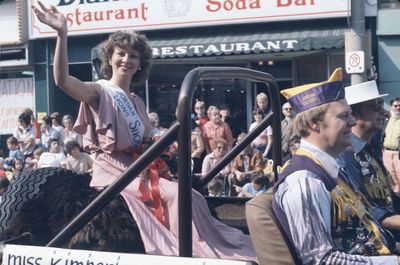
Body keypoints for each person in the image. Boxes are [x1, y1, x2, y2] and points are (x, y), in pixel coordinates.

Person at [32, 3, 257, 262]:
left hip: (140, 169)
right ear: (110, 58)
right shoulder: (99, 91)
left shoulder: (137, 101)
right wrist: (62, 34)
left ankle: (215, 245)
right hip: (114, 171)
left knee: (192, 194)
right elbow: (62, 81)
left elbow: (145, 141)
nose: (126, 60)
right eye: (121, 53)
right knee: (176, 194)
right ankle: (189, 252)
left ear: (141, 63)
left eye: (133, 56)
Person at [273, 68, 400, 264]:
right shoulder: (305, 181)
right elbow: (321, 260)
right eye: (343, 116)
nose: (352, 122)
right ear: (314, 123)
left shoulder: (329, 170)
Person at [339, 81, 400, 238]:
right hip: (375, 240)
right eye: (375, 107)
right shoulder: (346, 155)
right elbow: (361, 207)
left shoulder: (370, 149)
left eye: (381, 104)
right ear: (354, 115)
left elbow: (388, 198)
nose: (383, 111)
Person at [383, 97, 400, 192]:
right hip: (386, 153)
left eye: (399, 106)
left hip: (398, 154)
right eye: (395, 106)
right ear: (391, 106)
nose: (398, 108)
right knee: (391, 177)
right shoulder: (386, 119)